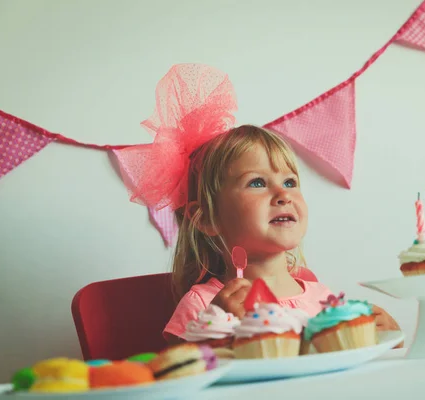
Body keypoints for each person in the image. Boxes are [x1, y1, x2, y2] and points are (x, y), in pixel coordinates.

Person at [113, 64, 401, 345]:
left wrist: (384, 338)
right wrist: (217, 330)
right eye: (257, 183)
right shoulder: (206, 305)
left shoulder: (322, 298)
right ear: (206, 220)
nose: (283, 194)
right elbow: (188, 372)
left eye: (289, 182)